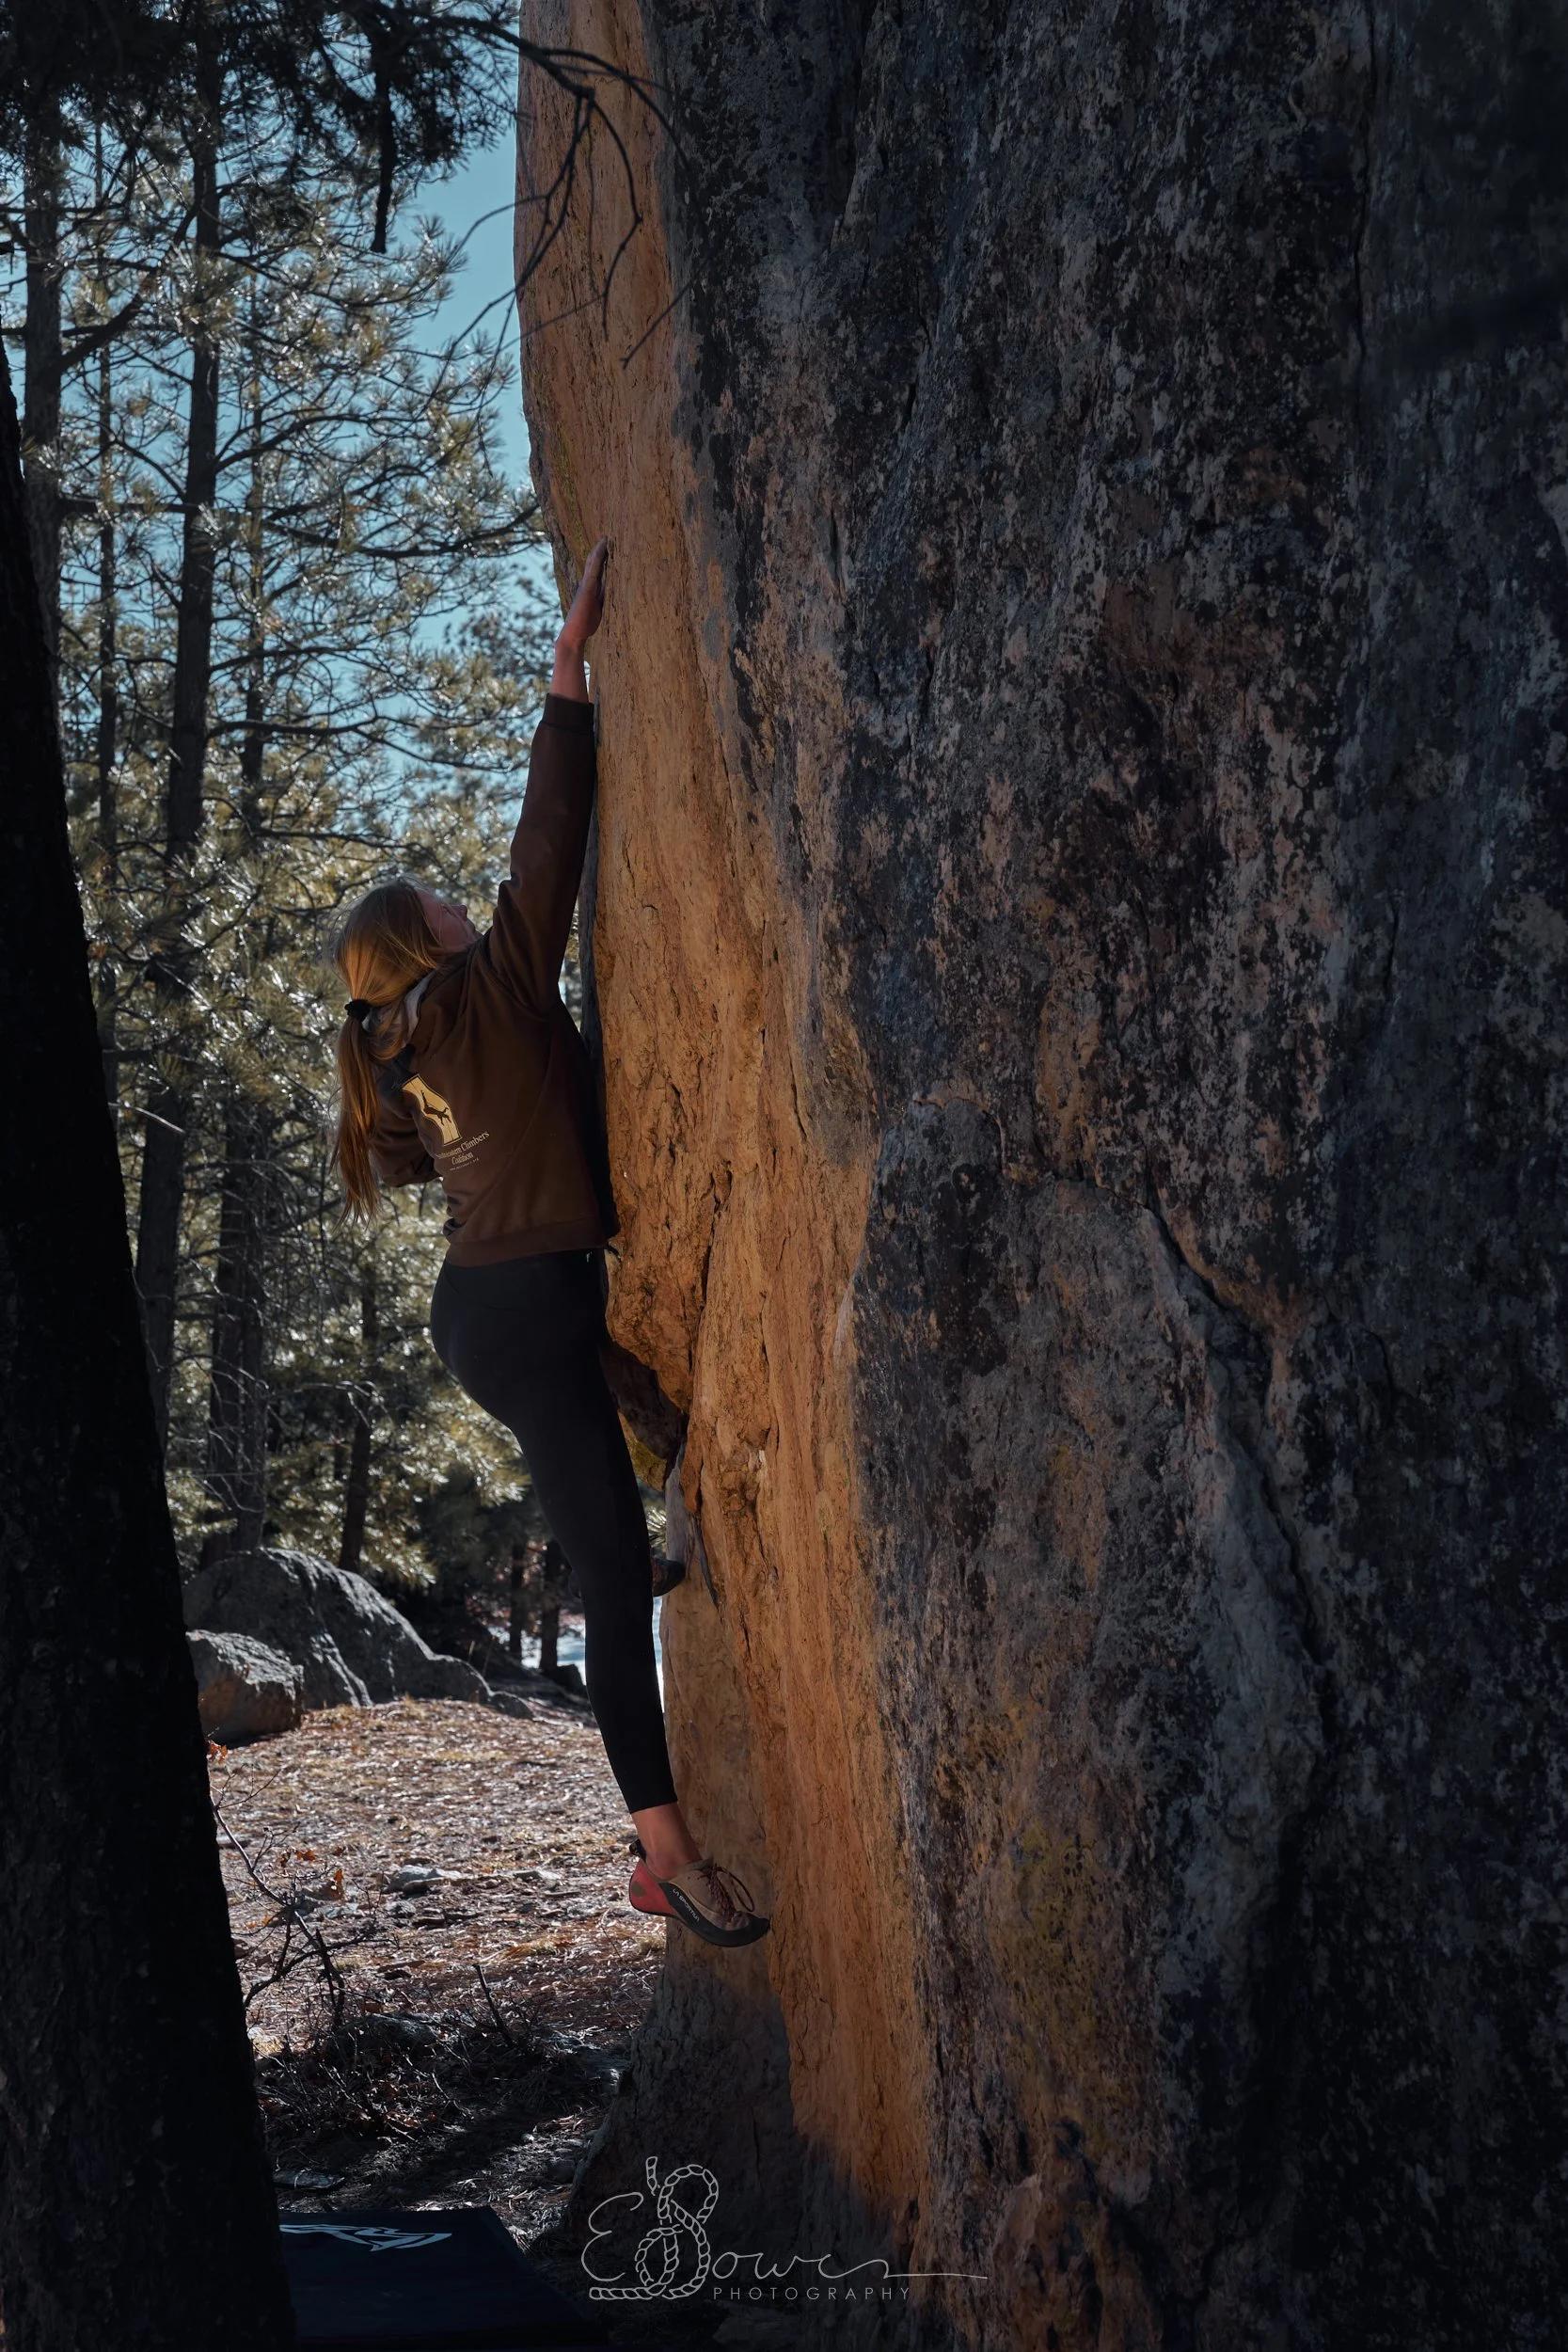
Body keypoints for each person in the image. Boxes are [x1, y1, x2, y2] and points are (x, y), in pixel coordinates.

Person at [325, 537, 768, 1950]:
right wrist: (565, 671)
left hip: (498, 1311)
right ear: (424, 941)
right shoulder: (491, 987)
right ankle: (660, 1858)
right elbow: (549, 841)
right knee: (607, 1589)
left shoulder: (405, 1042)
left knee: (607, 1481)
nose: (469, 898)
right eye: (441, 903)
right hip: (520, 1314)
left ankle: (635, 1511)